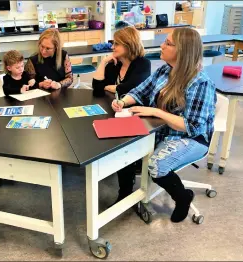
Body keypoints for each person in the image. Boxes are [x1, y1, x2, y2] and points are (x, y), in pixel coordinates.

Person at [111, 28, 216, 223]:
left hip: (192, 138)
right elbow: (141, 91)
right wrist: (124, 101)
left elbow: (192, 126)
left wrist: (156, 112)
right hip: (162, 130)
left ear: (183, 51)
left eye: (168, 43)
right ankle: (125, 195)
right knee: (124, 146)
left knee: (156, 165)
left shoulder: (200, 83)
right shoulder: (165, 69)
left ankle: (183, 197)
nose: (162, 45)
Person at [93, 26, 151, 206]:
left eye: (117, 43)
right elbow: (97, 87)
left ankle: (125, 189)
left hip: (138, 112)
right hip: (116, 109)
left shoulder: (143, 63)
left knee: (122, 144)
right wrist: (103, 63)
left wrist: (115, 87)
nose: (113, 47)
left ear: (128, 44)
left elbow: (135, 87)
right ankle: (118, 169)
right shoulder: (113, 64)